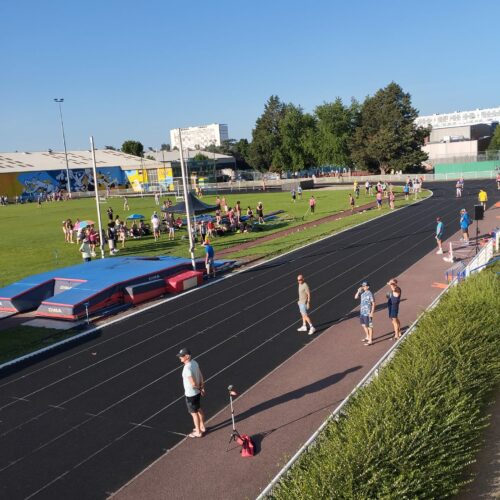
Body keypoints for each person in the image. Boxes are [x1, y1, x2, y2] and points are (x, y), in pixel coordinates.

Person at [177, 348, 206, 438]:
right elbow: (200, 375)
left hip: (191, 394)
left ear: (187, 356)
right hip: (197, 393)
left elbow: (193, 383)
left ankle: (198, 431)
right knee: (199, 409)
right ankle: (202, 426)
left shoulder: (187, 368)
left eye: (181, 356)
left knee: (194, 413)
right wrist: (202, 388)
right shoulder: (194, 362)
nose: (180, 357)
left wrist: (200, 389)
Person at [354, 281, 375, 346]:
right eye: (362, 286)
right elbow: (355, 297)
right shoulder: (362, 292)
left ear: (368, 287)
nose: (362, 287)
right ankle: (367, 336)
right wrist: (358, 291)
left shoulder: (370, 293)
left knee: (369, 326)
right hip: (362, 312)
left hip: (367, 313)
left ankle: (370, 340)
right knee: (363, 325)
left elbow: (373, 303)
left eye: (364, 286)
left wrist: (372, 312)